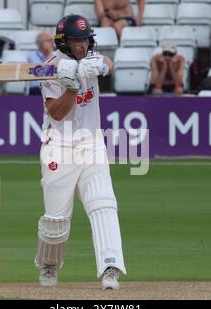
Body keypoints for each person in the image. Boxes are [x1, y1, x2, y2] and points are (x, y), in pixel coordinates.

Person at [35, 14, 126, 290]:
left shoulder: (92, 56)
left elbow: (108, 63)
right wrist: (72, 88)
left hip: (91, 143)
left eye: (86, 39)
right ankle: (49, 266)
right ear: (64, 42)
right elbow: (57, 113)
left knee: (103, 203)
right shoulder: (49, 69)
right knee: (56, 219)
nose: (83, 44)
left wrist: (99, 66)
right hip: (59, 148)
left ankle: (110, 267)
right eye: (77, 40)